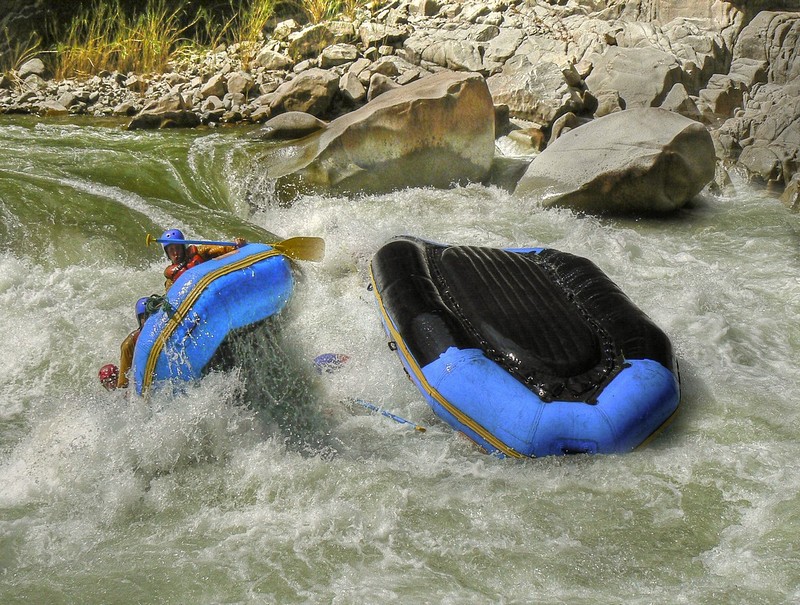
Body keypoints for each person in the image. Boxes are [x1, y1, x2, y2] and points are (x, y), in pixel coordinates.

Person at [160, 229, 246, 290]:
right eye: (171, 250)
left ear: (183, 247)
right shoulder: (171, 278)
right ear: (167, 253)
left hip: (214, 284)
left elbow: (221, 249)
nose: (175, 253)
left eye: (177, 248)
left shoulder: (199, 252)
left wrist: (235, 245)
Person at [116, 296, 150, 389]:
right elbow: (123, 381)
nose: (149, 320)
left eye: (151, 316)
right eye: (144, 317)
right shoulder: (129, 344)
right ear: (139, 319)